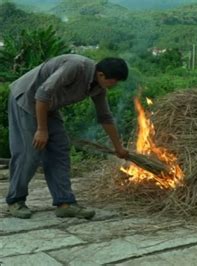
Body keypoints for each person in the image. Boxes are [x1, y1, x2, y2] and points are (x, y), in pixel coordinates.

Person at [6, 54, 129, 219]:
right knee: (30, 152)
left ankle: (65, 203)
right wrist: (42, 130)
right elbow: (42, 93)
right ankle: (16, 200)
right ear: (101, 75)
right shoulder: (76, 66)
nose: (115, 85)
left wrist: (118, 148)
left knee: (60, 149)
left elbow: (105, 117)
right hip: (26, 100)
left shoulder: (98, 88)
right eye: (114, 81)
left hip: (48, 106)